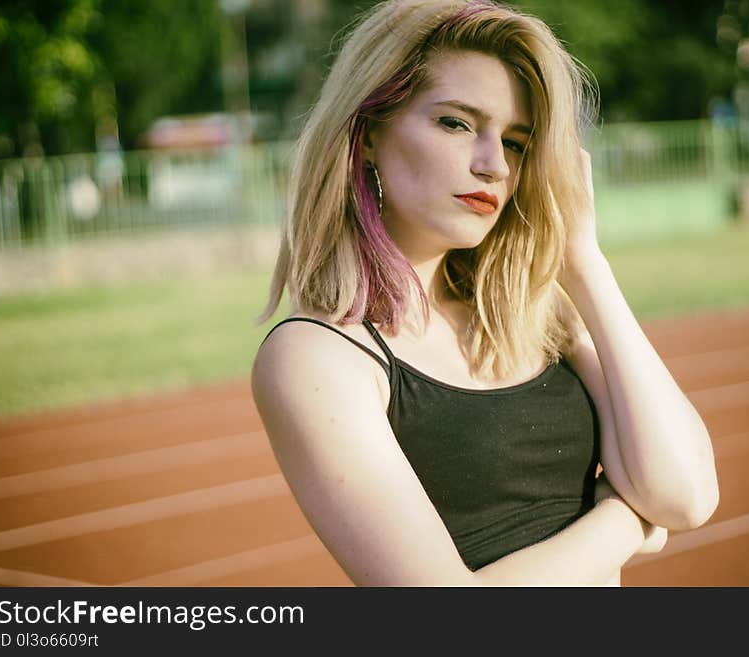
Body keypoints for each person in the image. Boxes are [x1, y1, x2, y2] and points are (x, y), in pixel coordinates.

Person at [251, 0, 719, 586]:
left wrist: (584, 263)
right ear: (367, 133)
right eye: (456, 123)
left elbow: (688, 495)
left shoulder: (538, 313)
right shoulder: (318, 355)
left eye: (518, 142)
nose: (494, 164)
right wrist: (623, 520)